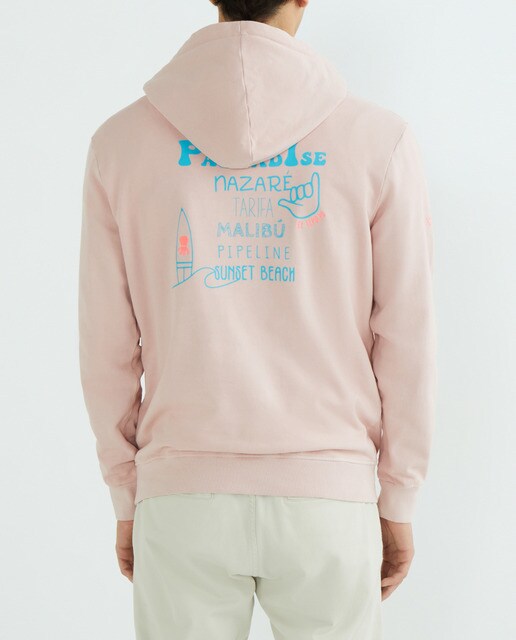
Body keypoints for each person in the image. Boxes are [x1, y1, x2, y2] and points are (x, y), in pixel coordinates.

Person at [78, 0, 437, 637]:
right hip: (328, 499)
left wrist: (128, 491)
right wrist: (399, 493)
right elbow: (407, 338)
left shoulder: (120, 143)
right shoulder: (379, 140)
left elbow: (106, 343)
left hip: (182, 496)